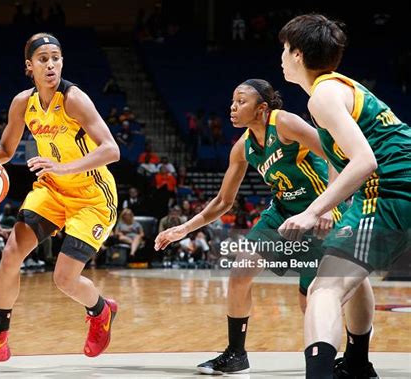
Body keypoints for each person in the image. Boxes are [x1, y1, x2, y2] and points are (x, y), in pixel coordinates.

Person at [155, 79, 369, 375]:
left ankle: (347, 359)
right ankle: (236, 355)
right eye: (232, 101)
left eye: (241, 101)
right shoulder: (242, 147)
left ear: (262, 108)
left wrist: (330, 206)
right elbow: (222, 201)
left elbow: (336, 150)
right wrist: (185, 228)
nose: (233, 107)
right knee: (241, 270)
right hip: (282, 213)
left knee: (311, 303)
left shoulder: (285, 123)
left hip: (317, 213)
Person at [0, 32, 120, 365]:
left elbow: (111, 149)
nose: (51, 65)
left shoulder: (74, 99)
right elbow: (5, 149)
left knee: (64, 279)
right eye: (43, 59)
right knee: (11, 253)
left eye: (56, 58)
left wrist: (63, 167)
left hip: (92, 197)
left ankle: (101, 311)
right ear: (29, 66)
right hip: (52, 189)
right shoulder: (23, 103)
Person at [278, 14, 410, 379]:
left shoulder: (323, 94)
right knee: (354, 273)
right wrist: (333, 207)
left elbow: (364, 160)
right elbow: (344, 154)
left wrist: (311, 210)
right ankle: (355, 364)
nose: (282, 57)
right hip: (392, 189)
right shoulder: (339, 88)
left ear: (299, 54)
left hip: (391, 191)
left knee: (324, 290)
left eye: (286, 49)